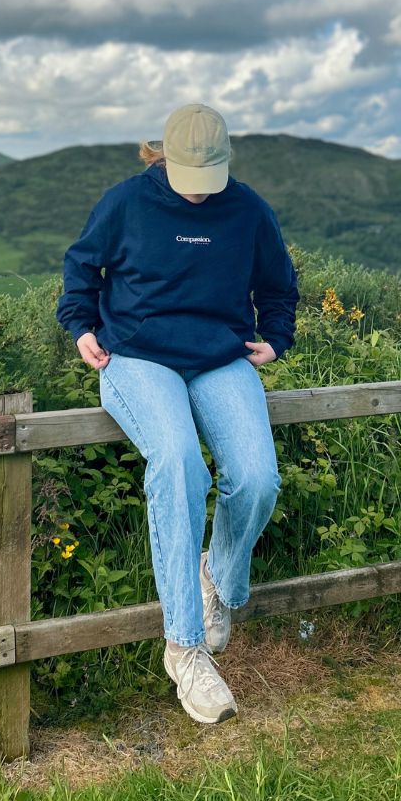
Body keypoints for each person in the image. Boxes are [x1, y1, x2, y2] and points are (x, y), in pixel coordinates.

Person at [56, 103, 299, 724]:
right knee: (180, 465)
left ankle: (217, 577)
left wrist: (276, 335)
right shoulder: (125, 202)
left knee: (256, 477)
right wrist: (80, 326)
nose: (198, 192)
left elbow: (278, 285)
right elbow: (81, 266)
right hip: (135, 358)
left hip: (220, 356)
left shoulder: (246, 209)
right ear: (162, 156)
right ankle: (184, 647)